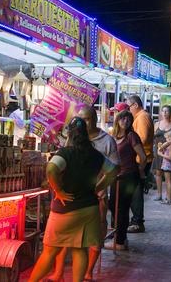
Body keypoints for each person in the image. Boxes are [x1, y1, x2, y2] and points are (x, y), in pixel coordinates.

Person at [29, 117, 118, 282]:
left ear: (69, 134)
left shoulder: (66, 153)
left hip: (65, 210)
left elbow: (51, 169)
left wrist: (59, 190)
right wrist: (98, 188)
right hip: (89, 209)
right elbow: (113, 171)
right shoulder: (96, 156)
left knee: (50, 251)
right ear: (86, 134)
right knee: (80, 250)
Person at [105, 110, 146, 250]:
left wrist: (140, 172)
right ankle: (120, 237)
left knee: (121, 208)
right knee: (113, 206)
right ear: (117, 120)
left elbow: (143, 157)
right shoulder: (114, 136)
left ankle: (120, 242)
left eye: (128, 119)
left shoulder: (131, 136)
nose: (125, 121)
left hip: (128, 176)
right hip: (116, 176)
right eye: (123, 118)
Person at [126, 95, 154, 233]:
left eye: (129, 107)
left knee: (136, 193)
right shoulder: (141, 117)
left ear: (135, 105)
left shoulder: (142, 117)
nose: (128, 110)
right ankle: (136, 220)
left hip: (141, 161)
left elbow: (141, 139)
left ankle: (137, 221)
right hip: (139, 160)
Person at [152, 105, 171, 201]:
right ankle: (159, 194)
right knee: (158, 173)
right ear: (161, 113)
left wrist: (168, 146)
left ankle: (169, 197)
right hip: (158, 151)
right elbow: (153, 137)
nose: (165, 113)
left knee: (168, 176)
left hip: (168, 152)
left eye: (167, 111)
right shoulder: (157, 124)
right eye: (163, 111)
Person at [157, 130, 171, 204]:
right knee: (168, 181)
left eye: (167, 138)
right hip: (167, 164)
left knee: (168, 181)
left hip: (168, 165)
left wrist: (161, 154)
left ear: (170, 138)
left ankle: (169, 199)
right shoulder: (169, 145)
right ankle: (168, 197)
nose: (166, 140)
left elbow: (170, 157)